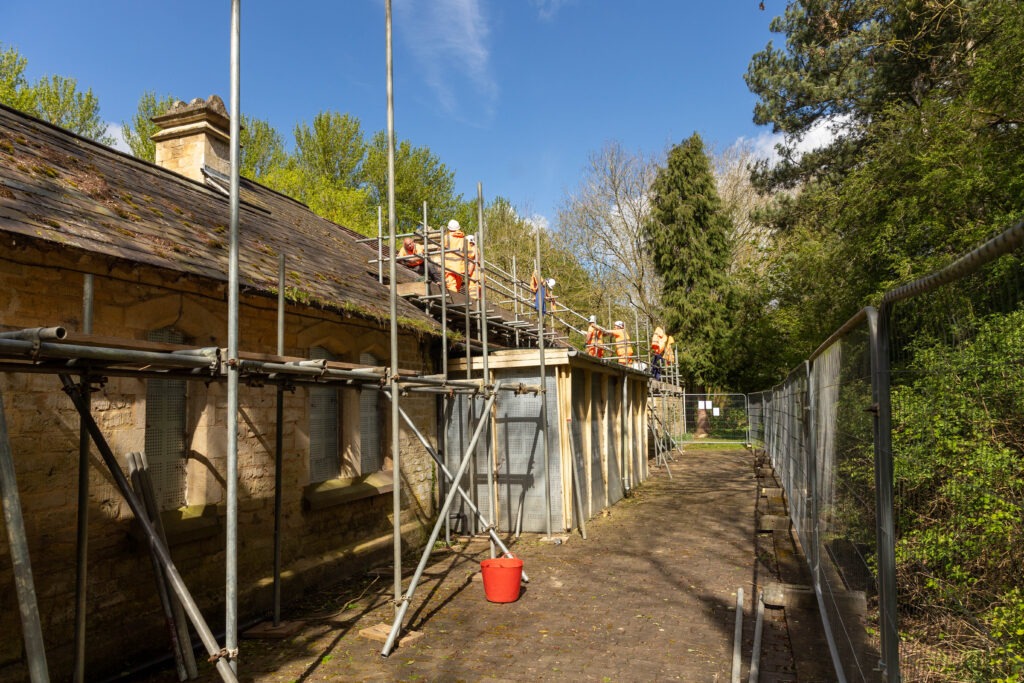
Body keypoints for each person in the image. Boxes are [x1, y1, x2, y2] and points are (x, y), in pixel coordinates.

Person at [442, 219, 466, 293]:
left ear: (449, 228)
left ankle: (453, 301)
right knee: (457, 285)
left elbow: (440, 248)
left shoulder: (446, 237)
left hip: (449, 266)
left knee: (451, 285)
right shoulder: (463, 239)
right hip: (460, 266)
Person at [466, 233, 481, 298]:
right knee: (479, 298)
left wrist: (468, 273)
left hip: (474, 277)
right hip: (480, 276)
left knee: (473, 298)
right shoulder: (477, 249)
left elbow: (472, 261)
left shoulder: (472, 249)